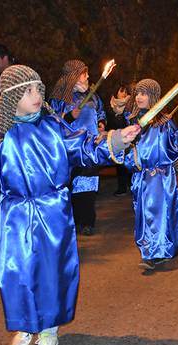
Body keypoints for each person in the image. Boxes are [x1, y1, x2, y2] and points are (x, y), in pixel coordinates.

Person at [0, 65, 140, 345]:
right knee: (15, 272)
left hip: (51, 212)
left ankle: (48, 330)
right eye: (28, 91)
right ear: (10, 98)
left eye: (38, 89)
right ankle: (25, 324)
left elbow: (83, 146)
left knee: (50, 272)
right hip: (14, 215)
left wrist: (116, 140)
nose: (37, 95)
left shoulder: (53, 127)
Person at [117, 79, 178, 270]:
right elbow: (126, 151)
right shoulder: (132, 121)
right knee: (143, 215)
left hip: (160, 176)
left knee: (157, 213)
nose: (139, 97)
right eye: (137, 93)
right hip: (140, 176)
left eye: (144, 94)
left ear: (153, 97)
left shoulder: (164, 121)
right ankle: (158, 248)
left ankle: (153, 253)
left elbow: (174, 145)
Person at [49, 60, 107, 236]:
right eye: (84, 74)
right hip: (69, 150)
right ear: (73, 77)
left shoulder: (93, 95)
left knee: (88, 186)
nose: (88, 77)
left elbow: (101, 111)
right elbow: (52, 122)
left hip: (90, 147)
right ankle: (70, 221)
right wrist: (69, 116)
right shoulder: (59, 98)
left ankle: (87, 221)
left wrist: (101, 123)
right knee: (70, 187)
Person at [108, 84, 134, 196]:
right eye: (121, 91)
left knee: (129, 161)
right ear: (116, 92)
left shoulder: (130, 104)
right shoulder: (110, 105)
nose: (123, 93)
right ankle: (122, 187)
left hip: (128, 137)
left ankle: (131, 184)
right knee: (119, 163)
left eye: (125, 91)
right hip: (116, 138)